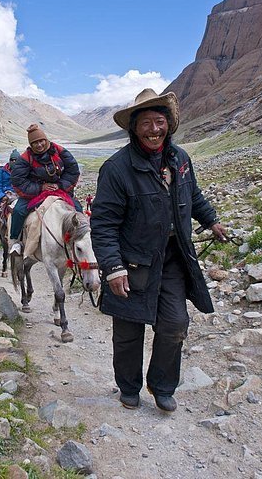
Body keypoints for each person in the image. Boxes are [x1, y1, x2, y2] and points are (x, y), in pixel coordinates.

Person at [90, 88, 227, 412]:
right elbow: (104, 223)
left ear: (170, 123)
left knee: (175, 323)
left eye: (160, 121)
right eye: (147, 123)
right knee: (127, 331)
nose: (154, 129)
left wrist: (211, 221)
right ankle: (129, 386)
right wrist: (113, 268)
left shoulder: (180, 159)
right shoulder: (117, 168)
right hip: (132, 263)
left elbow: (192, 195)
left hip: (172, 260)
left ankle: (162, 385)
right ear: (134, 128)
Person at [10, 124, 82, 253]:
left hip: (59, 189)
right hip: (35, 192)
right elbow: (18, 182)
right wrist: (40, 187)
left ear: (46, 140)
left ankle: (81, 238)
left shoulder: (60, 152)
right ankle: (16, 241)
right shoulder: (25, 158)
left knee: (77, 208)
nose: (39, 145)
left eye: (41, 141)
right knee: (19, 211)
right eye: (34, 143)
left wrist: (60, 185)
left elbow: (73, 171)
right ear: (30, 145)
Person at [0, 149, 20, 242]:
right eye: (12, 160)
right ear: (9, 160)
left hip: (17, 196)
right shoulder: (1, 172)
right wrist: (1, 196)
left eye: (16, 160)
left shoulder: (23, 171)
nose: (14, 162)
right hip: (3, 197)